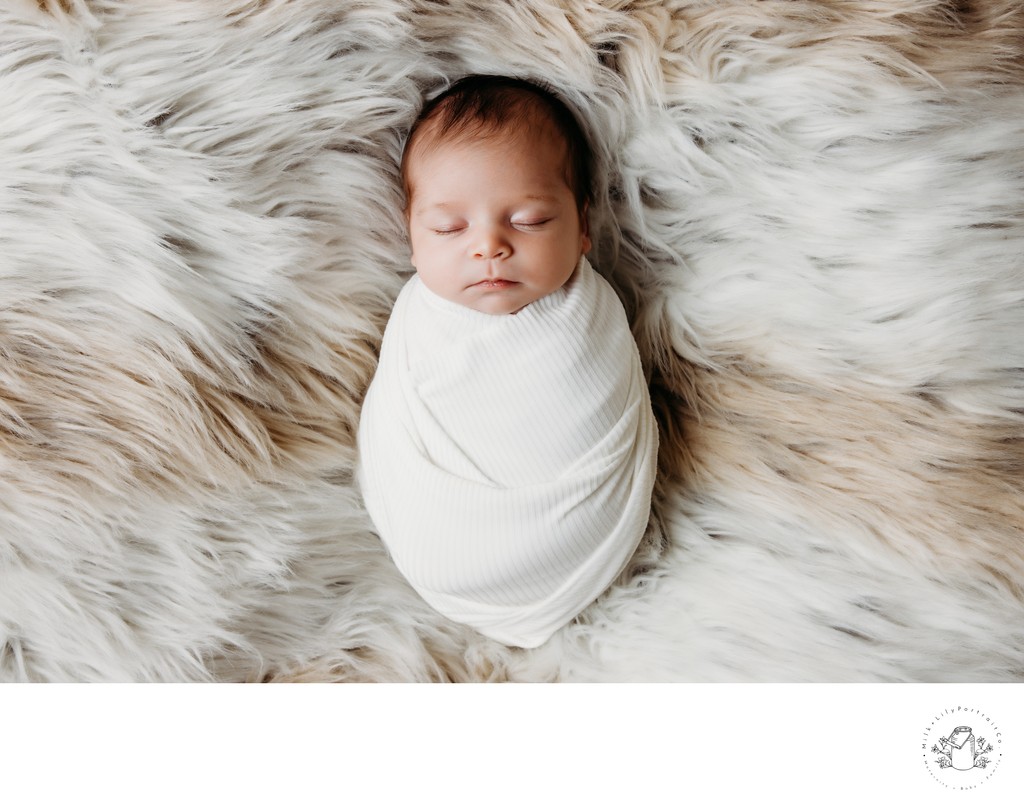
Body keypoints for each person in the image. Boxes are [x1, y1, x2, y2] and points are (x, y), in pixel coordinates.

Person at [357, 75, 658, 648]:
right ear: (413, 238)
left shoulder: (590, 317)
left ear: (583, 226)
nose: (489, 246)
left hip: (576, 539)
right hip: (440, 545)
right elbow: (396, 417)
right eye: (449, 227)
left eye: (529, 221)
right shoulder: (420, 319)